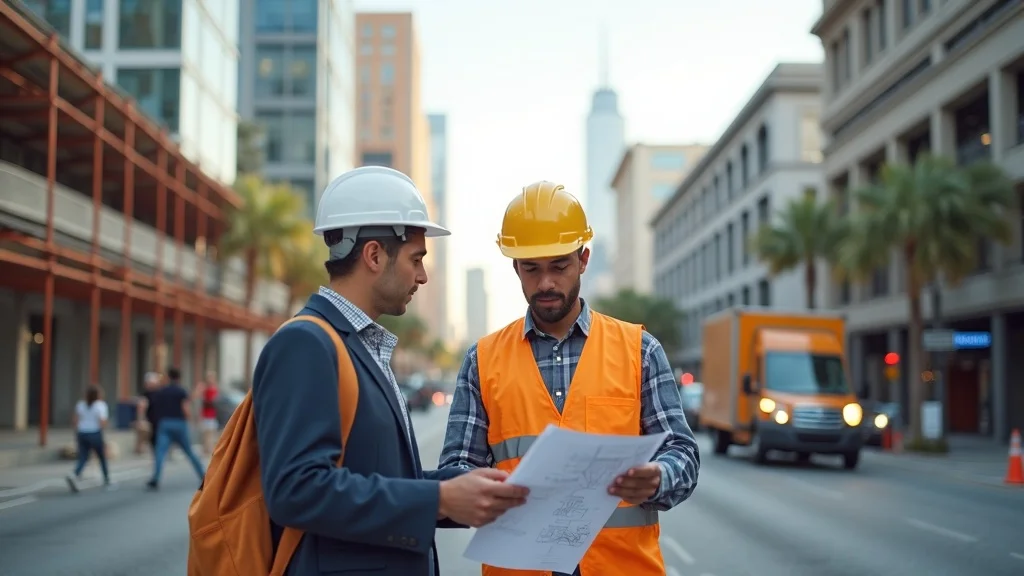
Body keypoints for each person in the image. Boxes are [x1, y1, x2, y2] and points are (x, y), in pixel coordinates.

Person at [251, 166, 528, 576]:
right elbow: (296, 490)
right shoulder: (306, 344)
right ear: (375, 255)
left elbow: (376, 476)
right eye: (416, 258)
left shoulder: (356, 345)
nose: (422, 275)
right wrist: (440, 500)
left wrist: (461, 491)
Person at [439, 181, 701, 576]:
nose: (545, 283)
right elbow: (456, 469)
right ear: (515, 268)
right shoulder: (483, 360)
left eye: (559, 266)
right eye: (532, 269)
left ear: (583, 260)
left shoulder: (640, 351)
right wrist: (486, 490)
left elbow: (683, 453)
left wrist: (658, 476)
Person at [145, 367, 206, 489]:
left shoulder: (162, 391)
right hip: (179, 423)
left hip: (164, 423)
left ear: (168, 377)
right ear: (179, 378)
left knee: (160, 452)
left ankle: (155, 478)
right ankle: (204, 476)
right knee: (189, 451)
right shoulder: (180, 391)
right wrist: (191, 420)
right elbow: (185, 407)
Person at [66, 385, 113, 492]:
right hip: (95, 432)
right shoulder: (100, 405)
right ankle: (107, 478)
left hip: (82, 432)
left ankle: (75, 474)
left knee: (83, 456)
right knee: (101, 456)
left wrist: (76, 432)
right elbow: (102, 422)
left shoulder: (80, 404)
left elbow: (75, 420)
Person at [195, 371, 220, 455]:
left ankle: (209, 450)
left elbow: (213, 401)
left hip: (211, 414)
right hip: (205, 414)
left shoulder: (213, 389)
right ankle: (207, 449)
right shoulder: (204, 388)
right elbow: (196, 396)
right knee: (205, 434)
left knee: (210, 434)